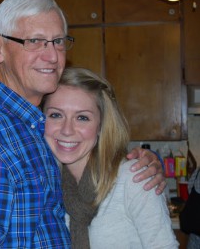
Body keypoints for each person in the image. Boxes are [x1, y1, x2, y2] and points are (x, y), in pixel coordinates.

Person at [0, 0, 166, 248]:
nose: (52, 56)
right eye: (35, 41)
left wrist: (149, 160)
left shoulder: (37, 127)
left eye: (58, 41)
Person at [43, 67, 178, 248]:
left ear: (101, 126)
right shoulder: (45, 184)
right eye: (56, 115)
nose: (67, 130)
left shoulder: (134, 179)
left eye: (82, 118)